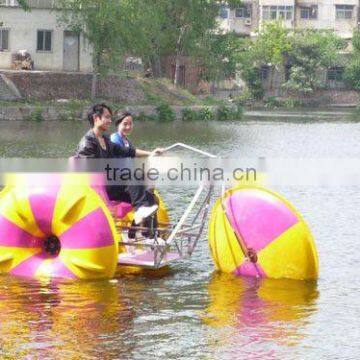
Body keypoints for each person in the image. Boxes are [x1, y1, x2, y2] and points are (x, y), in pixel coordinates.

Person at [74, 103, 159, 225]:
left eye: (110, 118)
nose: (110, 121)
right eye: (107, 117)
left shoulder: (106, 140)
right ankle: (140, 210)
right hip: (99, 189)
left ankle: (149, 236)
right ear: (96, 118)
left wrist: (151, 153)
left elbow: (128, 151)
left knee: (148, 195)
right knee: (130, 174)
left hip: (111, 185)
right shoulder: (87, 143)